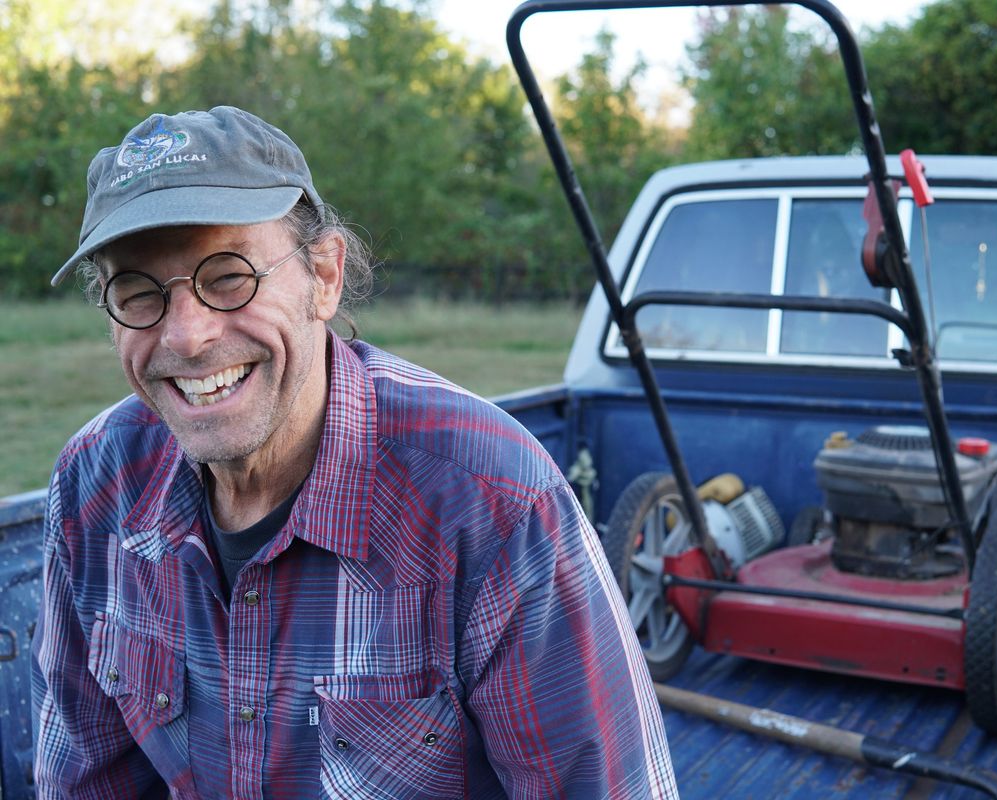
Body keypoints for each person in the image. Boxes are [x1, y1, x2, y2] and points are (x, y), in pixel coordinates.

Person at [31, 106, 678, 799]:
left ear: (325, 275)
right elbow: (83, 779)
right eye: (138, 293)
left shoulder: (493, 503)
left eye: (229, 277)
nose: (187, 336)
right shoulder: (94, 487)